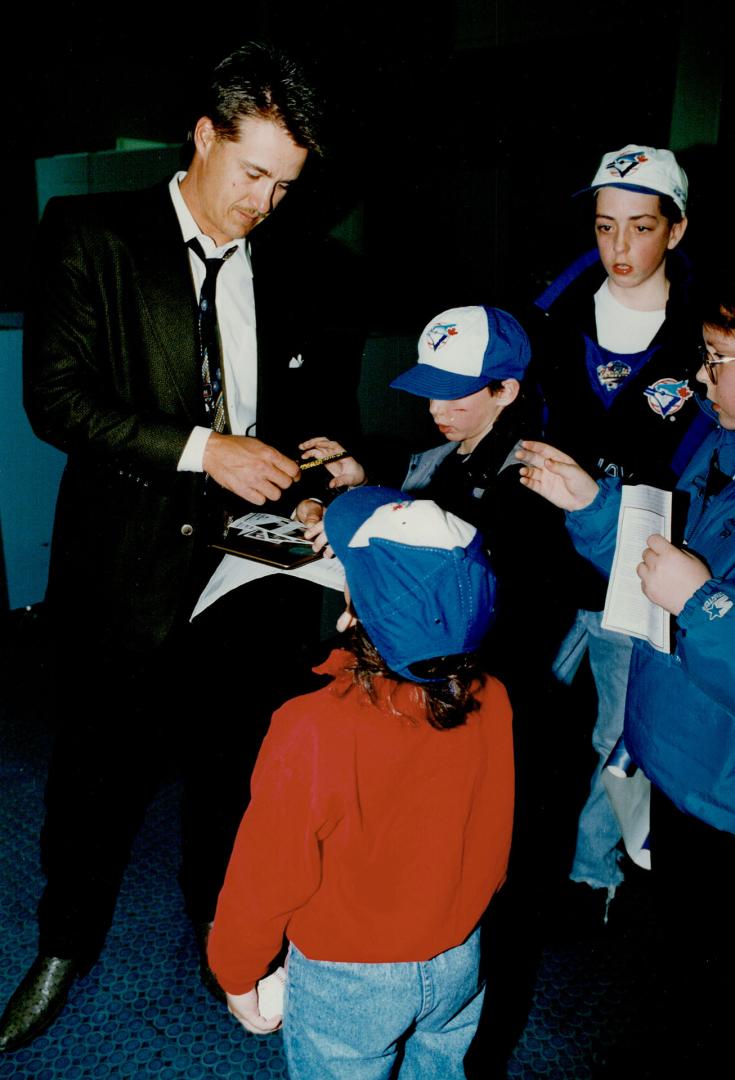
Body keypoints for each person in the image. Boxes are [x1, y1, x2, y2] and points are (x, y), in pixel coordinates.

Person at [0, 41, 359, 1053]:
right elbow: (58, 402)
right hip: (125, 559)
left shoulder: (294, 258)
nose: (265, 204)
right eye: (253, 175)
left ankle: (223, 931)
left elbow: (303, 411)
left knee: (236, 767)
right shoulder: (90, 234)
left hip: (249, 571)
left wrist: (325, 467)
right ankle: (62, 945)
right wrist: (208, 451)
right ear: (203, 137)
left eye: (287, 185)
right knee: (93, 771)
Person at [207, 486, 514, 1079]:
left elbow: (266, 872)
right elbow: (495, 826)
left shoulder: (312, 727)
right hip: (460, 953)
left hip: (349, 977)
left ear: (356, 607)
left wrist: (236, 972)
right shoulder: (492, 698)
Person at [516, 276, 735, 1069]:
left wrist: (702, 604)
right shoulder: (719, 435)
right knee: (666, 979)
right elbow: (653, 554)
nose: (702, 378)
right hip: (670, 765)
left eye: (718, 361)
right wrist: (590, 503)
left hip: (723, 796)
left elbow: (692, 595)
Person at [523, 143, 712, 917]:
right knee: (518, 711)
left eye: (640, 227)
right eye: (605, 227)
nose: (619, 249)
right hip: (547, 551)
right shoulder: (548, 312)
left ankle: (590, 871)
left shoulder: (707, 331)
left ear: (675, 229)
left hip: (639, 561)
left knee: (615, 732)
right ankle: (511, 856)